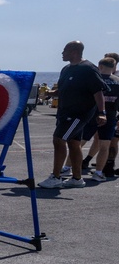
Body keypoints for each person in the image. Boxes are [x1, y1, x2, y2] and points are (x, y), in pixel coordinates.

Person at [38, 41, 108, 189]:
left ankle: (56, 177)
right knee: (73, 144)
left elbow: (98, 92)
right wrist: (50, 93)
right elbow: (62, 90)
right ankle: (77, 179)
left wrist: (102, 113)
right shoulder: (66, 69)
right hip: (64, 112)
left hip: (78, 114)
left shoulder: (88, 69)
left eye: (65, 50)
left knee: (58, 139)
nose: (62, 53)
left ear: (74, 51)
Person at [87, 57, 119, 181]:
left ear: (100, 66)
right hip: (111, 116)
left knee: (80, 141)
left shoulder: (97, 79)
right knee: (108, 143)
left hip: (94, 114)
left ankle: (70, 167)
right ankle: (103, 169)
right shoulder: (117, 80)